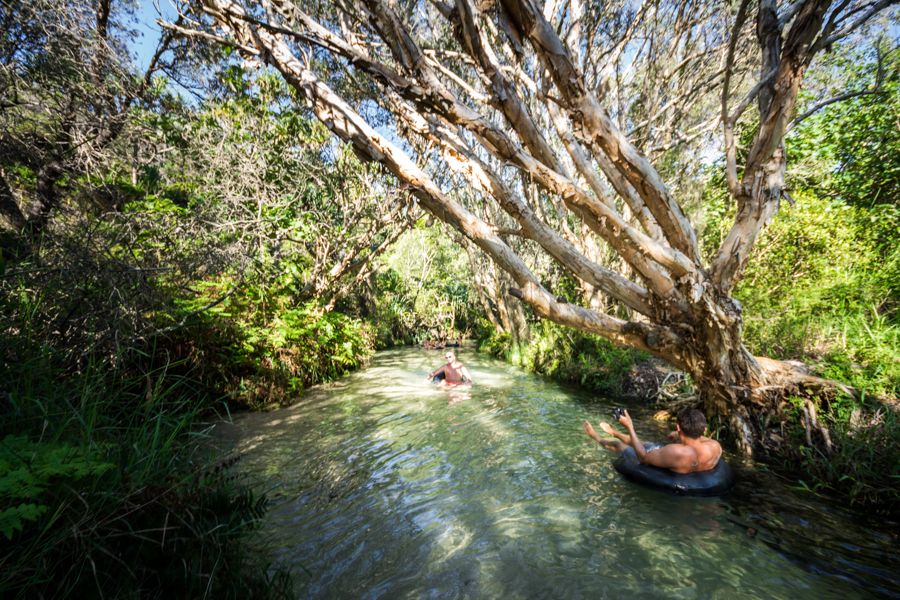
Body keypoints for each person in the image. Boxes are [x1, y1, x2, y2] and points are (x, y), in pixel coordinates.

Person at [582, 408, 722, 474]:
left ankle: (596, 437)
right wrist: (678, 433)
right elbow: (699, 436)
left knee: (620, 446)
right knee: (646, 443)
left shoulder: (677, 452)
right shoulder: (715, 447)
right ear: (703, 429)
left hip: (671, 461)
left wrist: (630, 426)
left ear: (679, 427)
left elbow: (642, 457)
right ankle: (614, 432)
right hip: (683, 451)